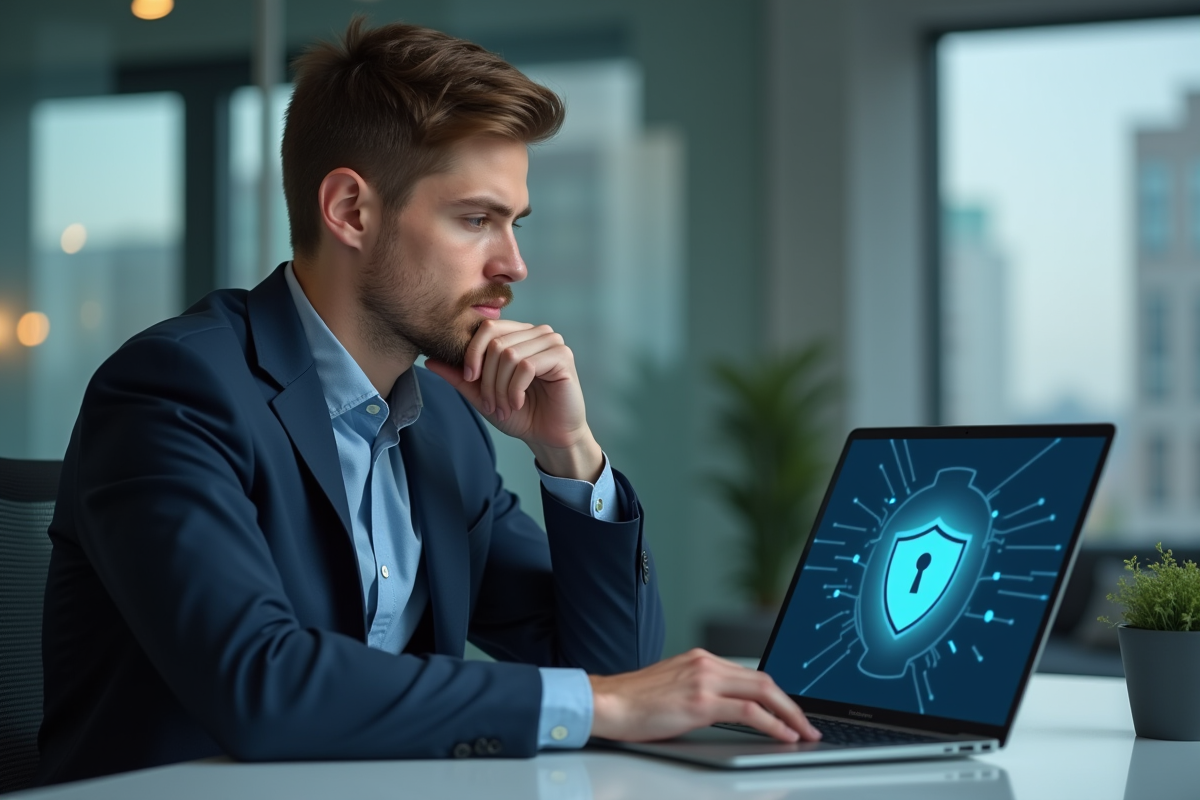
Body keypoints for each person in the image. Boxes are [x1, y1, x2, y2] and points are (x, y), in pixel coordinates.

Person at [36, 18, 820, 785]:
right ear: (350, 210)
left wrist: (568, 454)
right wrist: (604, 703)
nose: (513, 264)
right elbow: (261, 683)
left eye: (515, 224)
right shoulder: (175, 390)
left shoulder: (441, 423)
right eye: (477, 219)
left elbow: (614, 670)